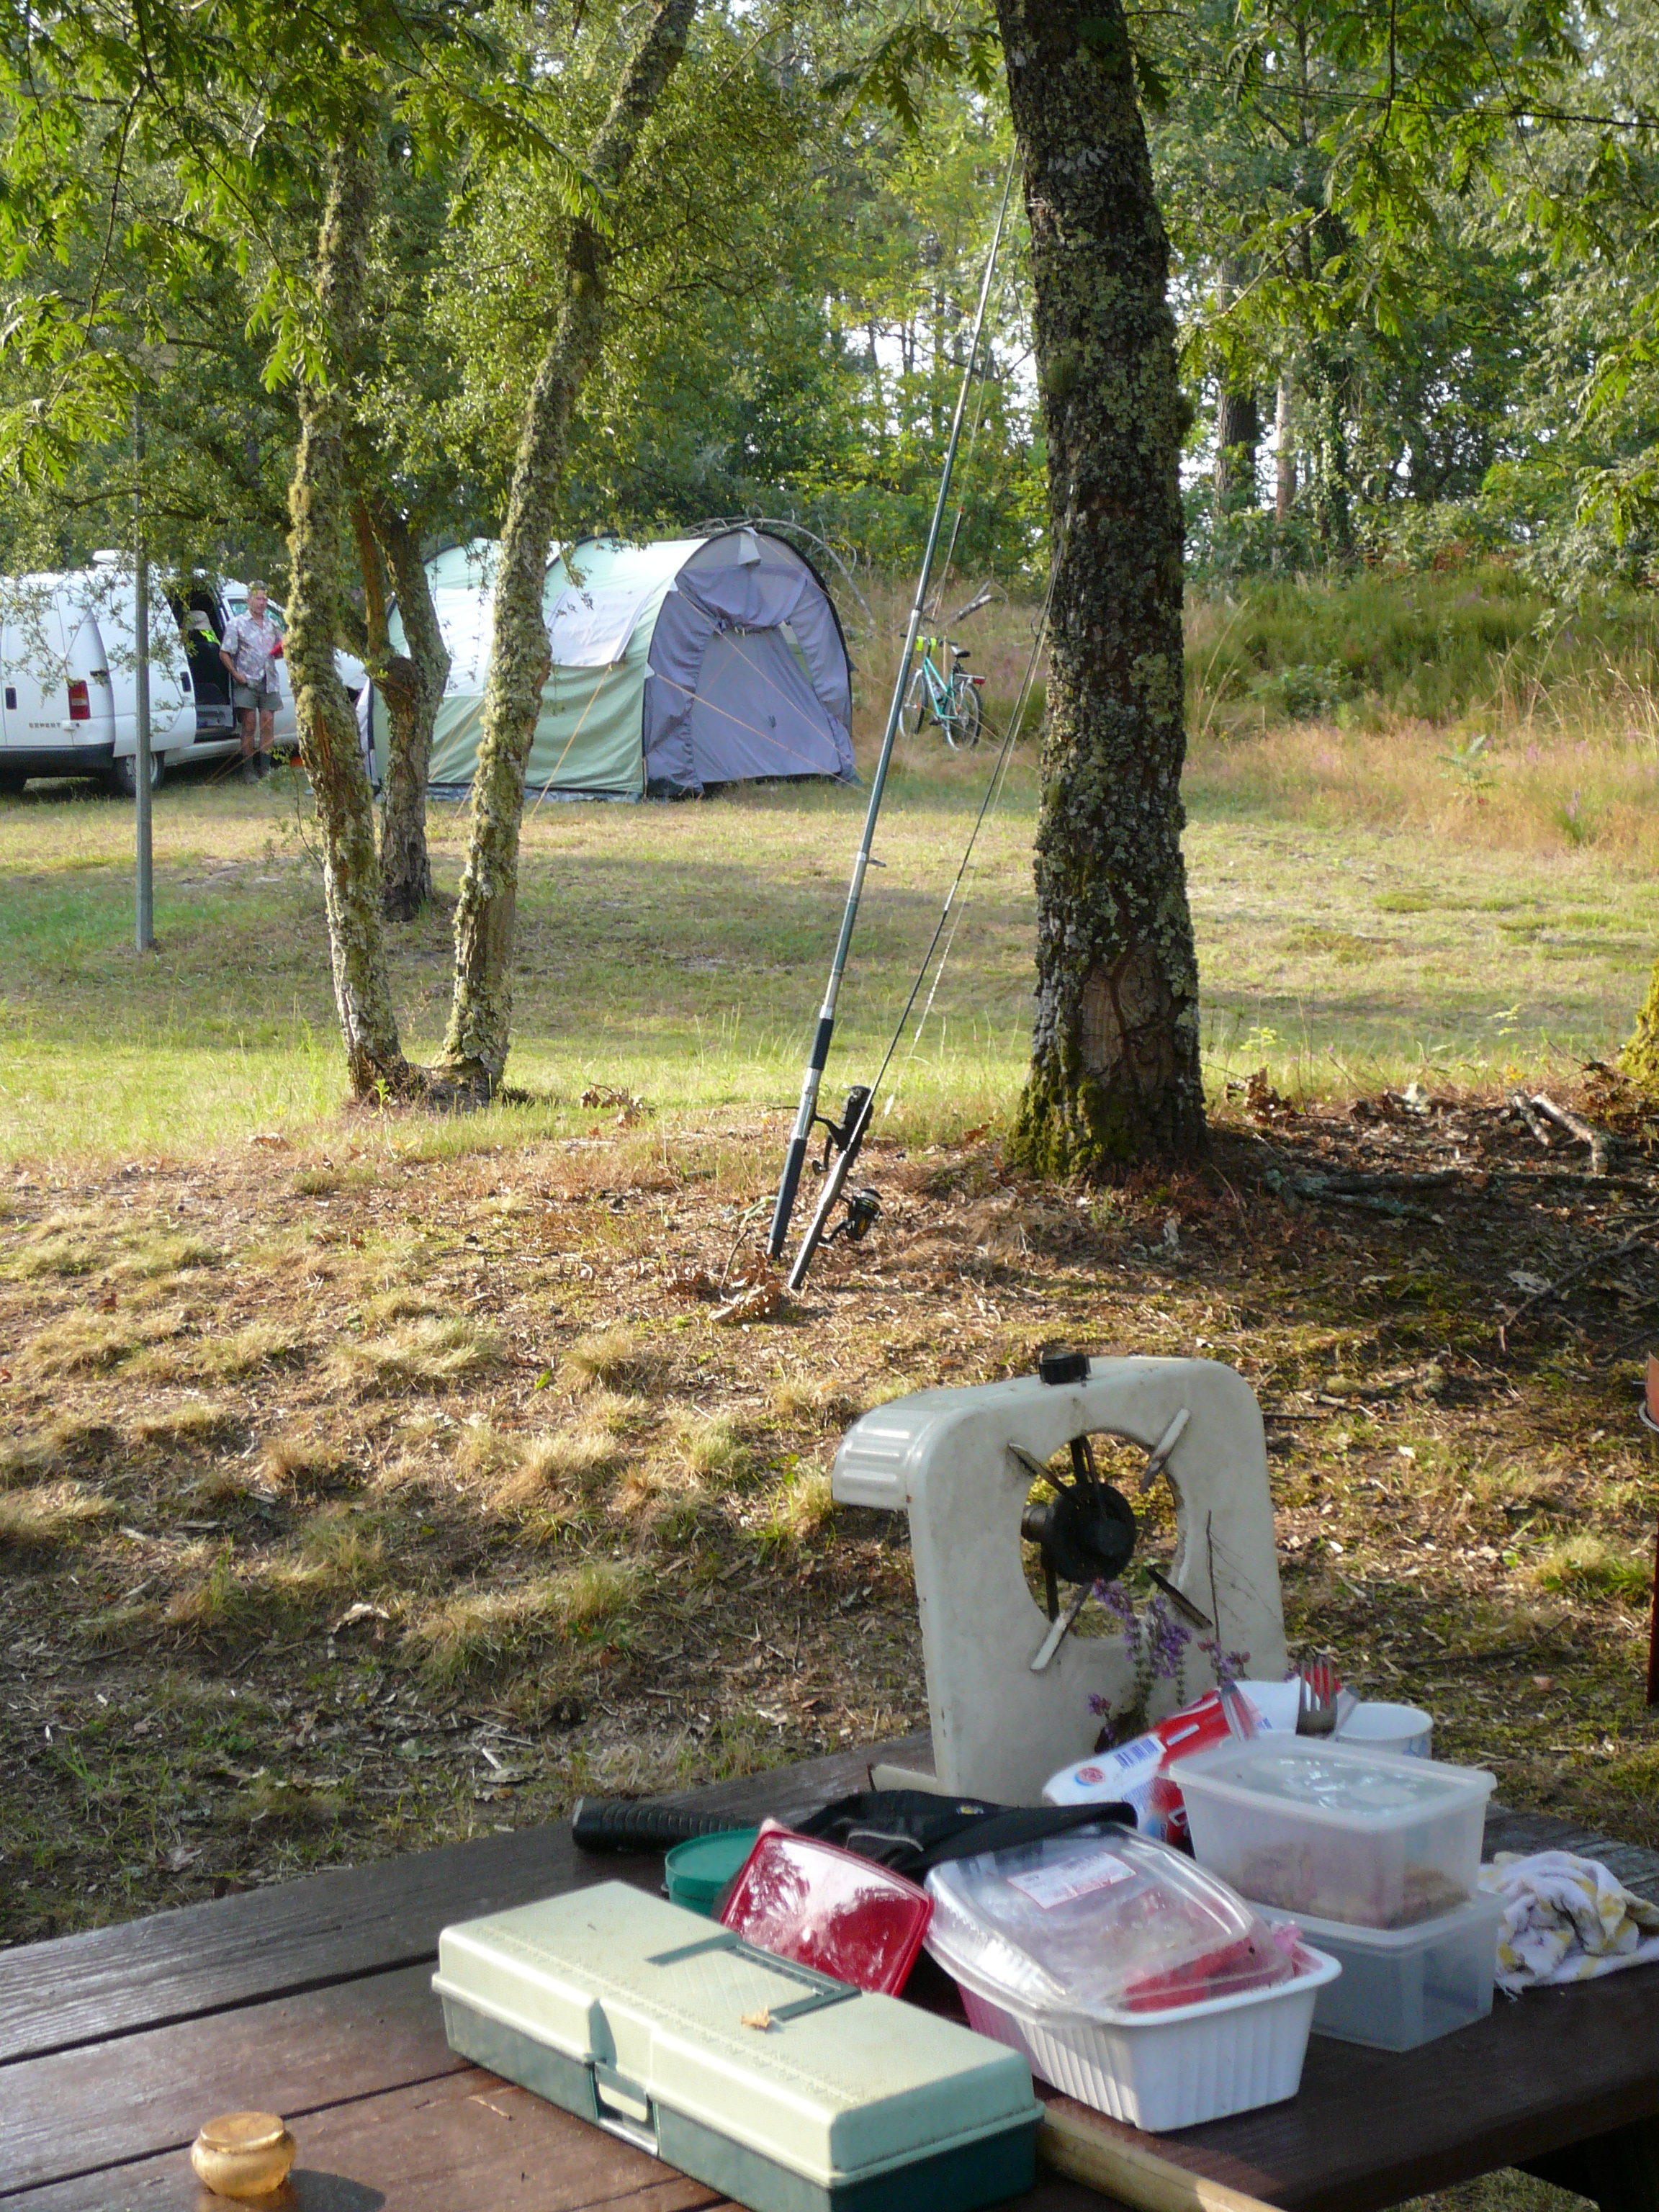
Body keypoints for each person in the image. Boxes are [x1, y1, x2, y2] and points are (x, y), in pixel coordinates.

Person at [219, 582, 284, 781]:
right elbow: (224, 653)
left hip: (269, 681)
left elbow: (282, 647)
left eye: (265, 599)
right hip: (246, 681)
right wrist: (236, 674)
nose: (262, 603)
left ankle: (265, 768)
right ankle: (248, 769)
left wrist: (281, 650)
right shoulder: (236, 624)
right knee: (249, 724)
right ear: (248, 600)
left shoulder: (273, 624)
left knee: (268, 722)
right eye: (258, 598)